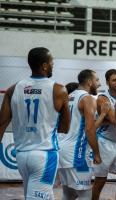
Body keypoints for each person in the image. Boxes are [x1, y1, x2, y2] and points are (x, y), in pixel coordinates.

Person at [0, 47, 71, 199]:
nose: (53, 65)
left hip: (21, 156)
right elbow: (65, 128)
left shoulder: (13, 89)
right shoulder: (59, 90)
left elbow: (1, 124)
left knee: (42, 195)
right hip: (45, 155)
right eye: (52, 62)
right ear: (44, 65)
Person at [58, 69, 102, 200]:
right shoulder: (87, 98)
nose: (99, 84)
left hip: (62, 150)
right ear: (89, 82)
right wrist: (96, 152)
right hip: (77, 154)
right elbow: (89, 129)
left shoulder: (69, 96)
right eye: (97, 80)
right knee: (85, 195)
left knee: (68, 194)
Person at [92, 69, 116, 200]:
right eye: (114, 80)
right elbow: (115, 120)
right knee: (100, 180)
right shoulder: (102, 98)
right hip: (105, 143)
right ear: (107, 82)